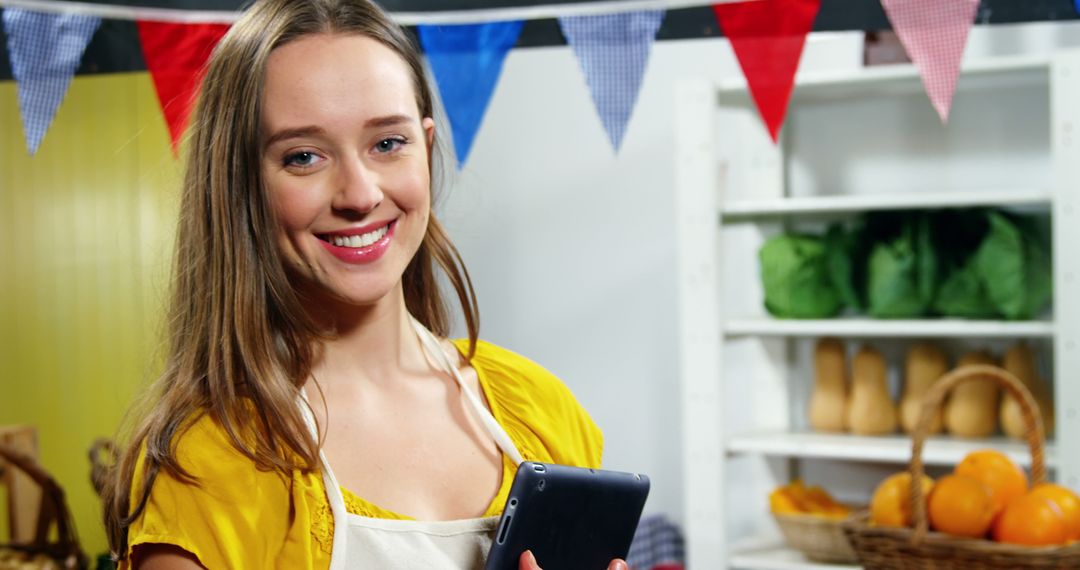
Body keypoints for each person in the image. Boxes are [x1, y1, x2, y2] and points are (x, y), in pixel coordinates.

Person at [101, 0, 624, 568]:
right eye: (303, 156)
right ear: (241, 183)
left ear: (425, 147)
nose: (359, 194)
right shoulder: (207, 465)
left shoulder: (543, 410)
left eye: (387, 143)